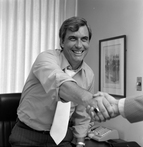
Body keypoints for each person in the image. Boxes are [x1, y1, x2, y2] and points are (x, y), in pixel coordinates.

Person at [9, 16, 115, 147]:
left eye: (84, 39)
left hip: (62, 138)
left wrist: (80, 142)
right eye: (72, 38)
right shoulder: (46, 58)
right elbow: (60, 83)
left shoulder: (88, 74)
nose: (79, 45)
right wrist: (91, 99)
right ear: (62, 42)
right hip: (27, 135)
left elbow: (82, 115)